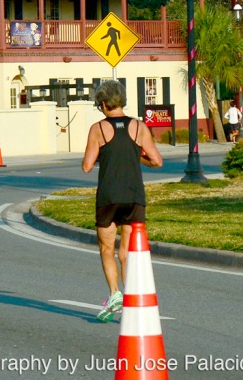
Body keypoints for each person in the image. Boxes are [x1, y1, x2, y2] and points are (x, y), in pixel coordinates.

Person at [81, 80, 163, 322]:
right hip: (134, 197)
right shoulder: (139, 127)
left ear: (103, 103)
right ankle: (133, 300)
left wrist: (104, 155)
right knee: (126, 253)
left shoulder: (98, 129)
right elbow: (157, 161)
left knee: (107, 249)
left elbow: (87, 166)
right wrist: (137, 156)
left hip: (108, 197)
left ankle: (115, 293)